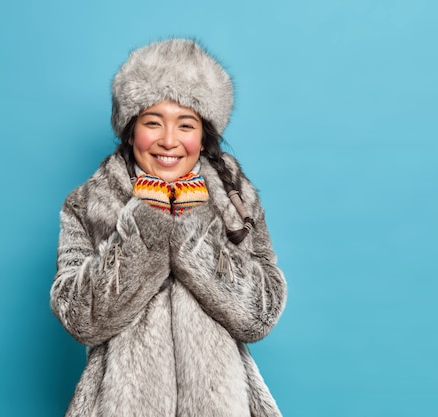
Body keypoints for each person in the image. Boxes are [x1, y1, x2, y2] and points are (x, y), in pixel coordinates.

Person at [50, 38, 287, 417]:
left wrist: (190, 226)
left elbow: (260, 315)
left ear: (203, 135)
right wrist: (149, 220)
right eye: (153, 122)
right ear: (130, 130)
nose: (169, 140)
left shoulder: (234, 199)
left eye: (186, 124)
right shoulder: (86, 204)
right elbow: (81, 320)